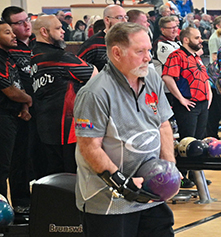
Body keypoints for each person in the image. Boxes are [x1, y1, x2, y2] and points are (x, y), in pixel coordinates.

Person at [74, 22, 176, 237]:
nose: (148, 57)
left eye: (149, 50)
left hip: (150, 193)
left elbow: (163, 124)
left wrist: (169, 168)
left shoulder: (152, 78)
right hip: (109, 200)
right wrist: (122, 184)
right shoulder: (95, 93)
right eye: (140, 51)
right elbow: (89, 147)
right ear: (117, 53)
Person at [31, 15, 99, 176]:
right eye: (58, 28)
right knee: (70, 177)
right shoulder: (59, 57)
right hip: (66, 129)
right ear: (44, 31)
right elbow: (95, 74)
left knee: (54, 177)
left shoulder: (34, 54)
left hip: (45, 126)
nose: (63, 31)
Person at [2, 6, 35, 214]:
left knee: (29, 159)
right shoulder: (6, 52)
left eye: (27, 20)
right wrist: (26, 100)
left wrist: (26, 103)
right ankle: (13, 205)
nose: (25, 25)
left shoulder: (36, 46)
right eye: (18, 23)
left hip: (29, 112)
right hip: (8, 114)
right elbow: (10, 88)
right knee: (9, 164)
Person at [162, 27, 211, 140]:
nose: (201, 40)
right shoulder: (176, 56)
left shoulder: (196, 57)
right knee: (189, 141)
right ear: (186, 40)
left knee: (200, 140)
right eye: (197, 38)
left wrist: (209, 96)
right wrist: (181, 98)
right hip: (188, 104)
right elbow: (167, 77)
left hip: (202, 103)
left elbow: (204, 77)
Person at [80, 5, 128, 71]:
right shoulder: (93, 44)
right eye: (119, 17)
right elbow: (80, 69)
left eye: (125, 17)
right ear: (107, 20)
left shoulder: (129, 40)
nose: (124, 21)